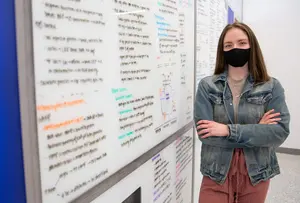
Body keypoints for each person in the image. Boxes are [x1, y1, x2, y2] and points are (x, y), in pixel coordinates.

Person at [194, 22, 290, 203]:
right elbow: (205, 134)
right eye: (228, 45)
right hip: (216, 172)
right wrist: (257, 130)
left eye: (241, 43)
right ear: (222, 51)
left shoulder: (271, 87)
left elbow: (278, 132)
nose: (235, 49)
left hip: (256, 173)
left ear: (252, 46)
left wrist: (227, 130)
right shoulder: (207, 86)